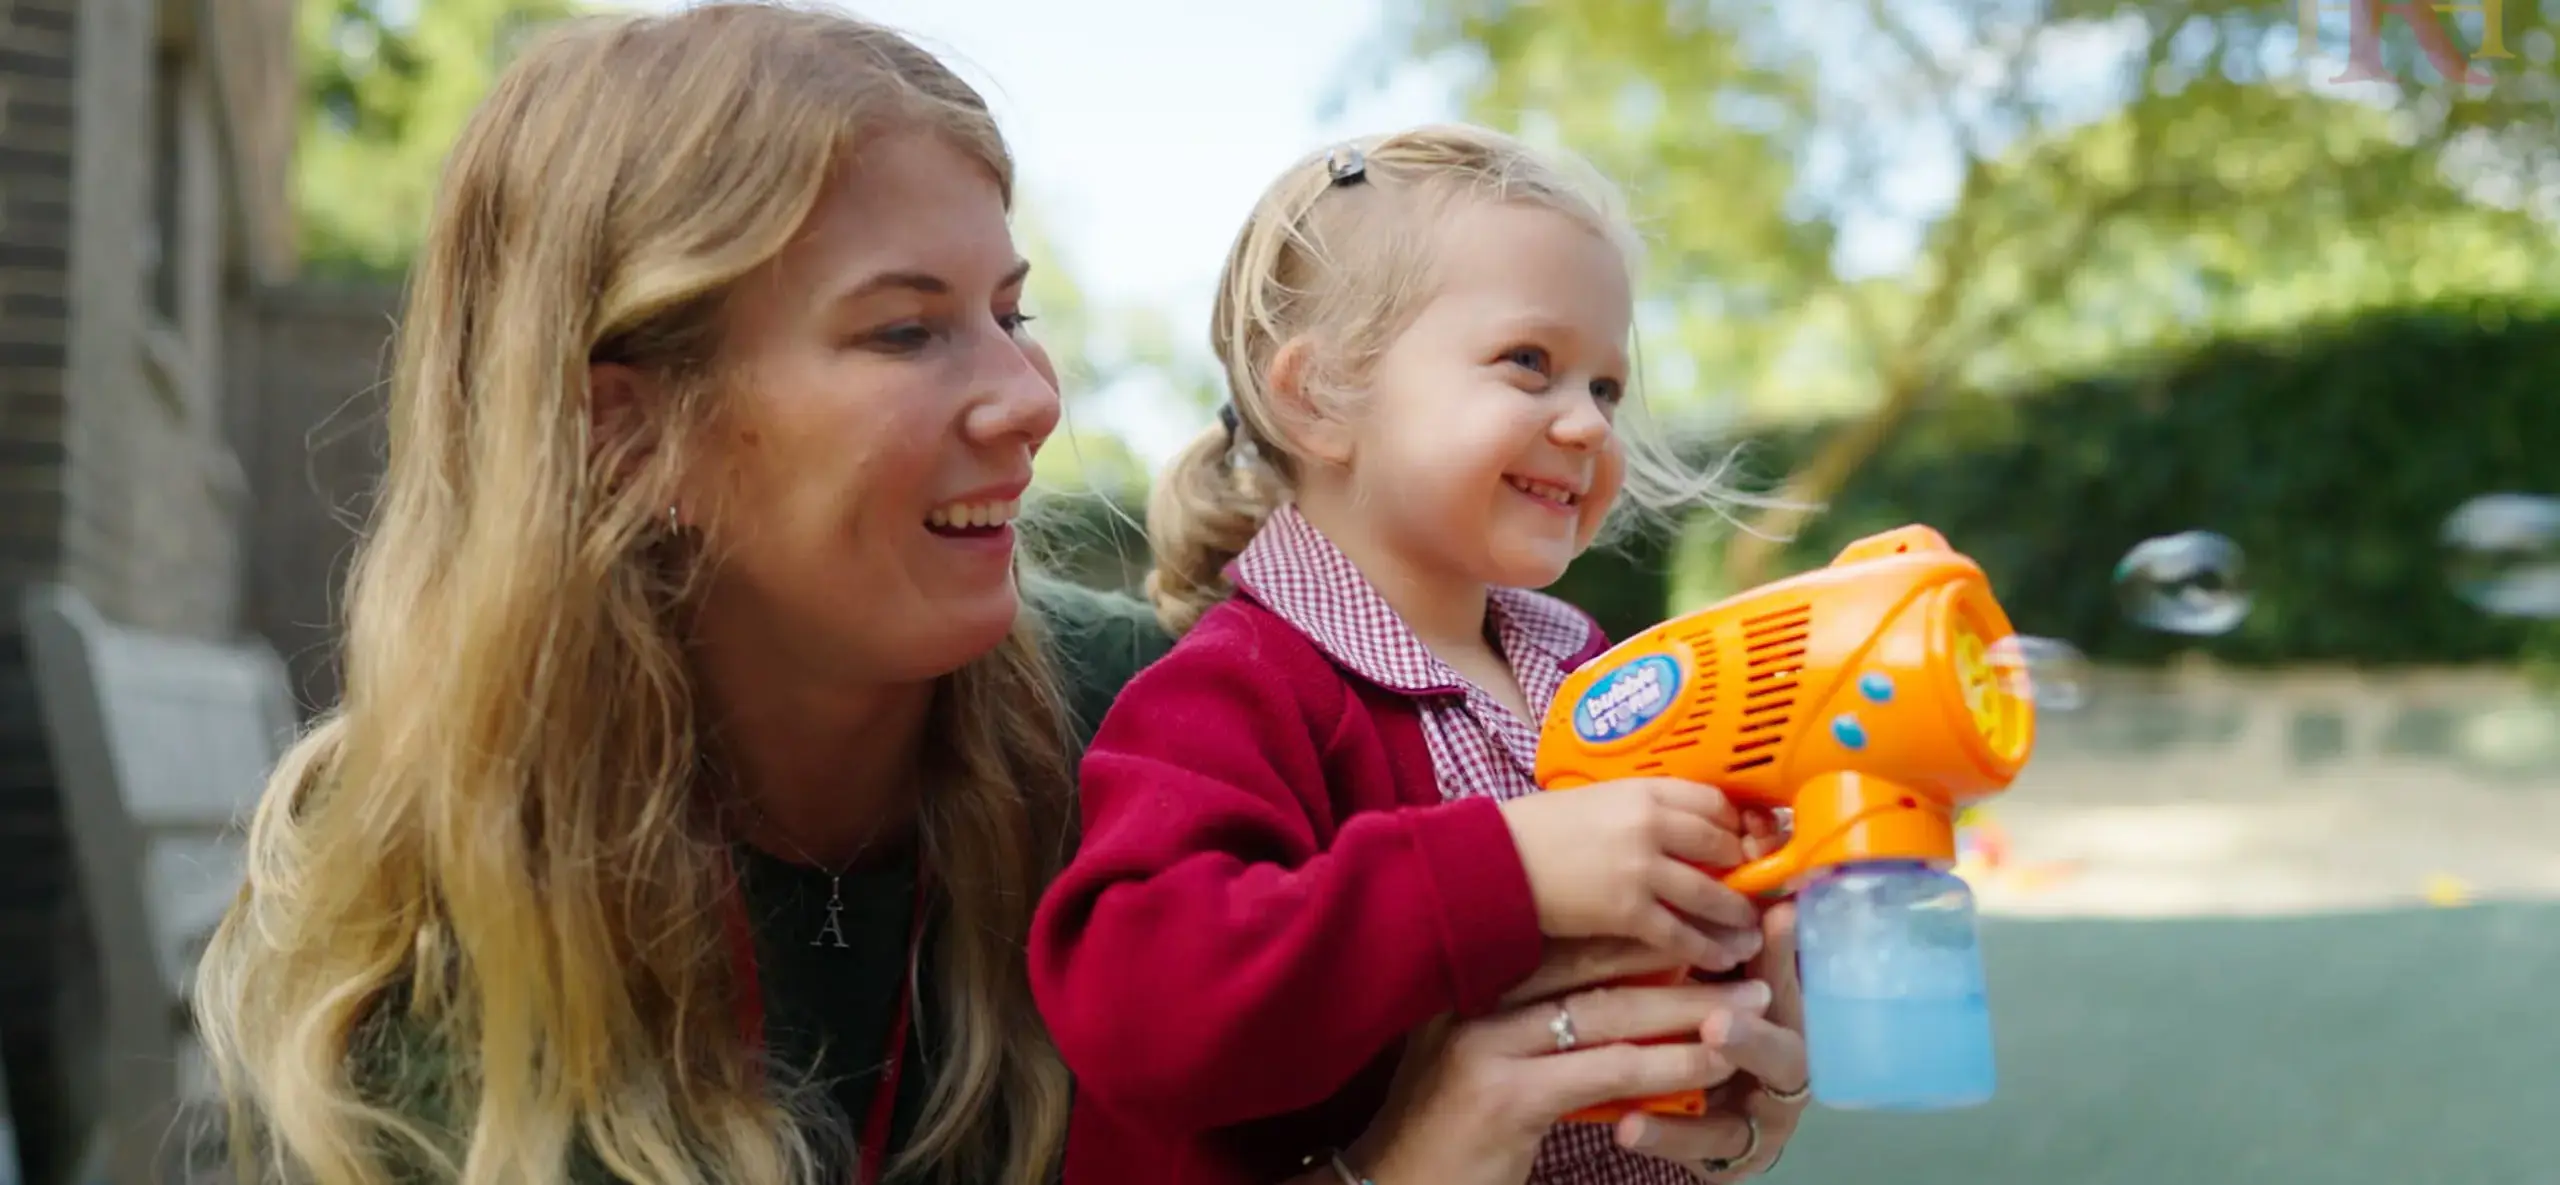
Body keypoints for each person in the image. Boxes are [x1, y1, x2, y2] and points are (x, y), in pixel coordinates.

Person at [187, 5, 1807, 1185]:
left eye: (1012, 310)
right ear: (628, 425)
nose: (1032, 394)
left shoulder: (1138, 709)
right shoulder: (422, 945)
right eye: (907, 329)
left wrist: (1686, 1061)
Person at [1026, 126, 1808, 1185]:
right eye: (1528, 363)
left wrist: (1749, 971)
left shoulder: (1599, 672)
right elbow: (1140, 1010)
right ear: (1317, 399)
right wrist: (1508, 872)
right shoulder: (1235, 690)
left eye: (1607, 388)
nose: (1585, 423)